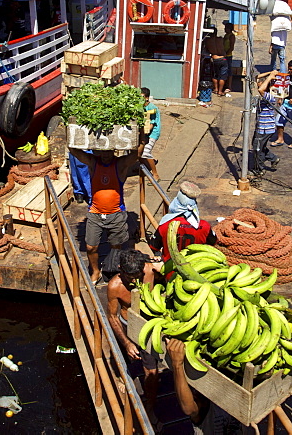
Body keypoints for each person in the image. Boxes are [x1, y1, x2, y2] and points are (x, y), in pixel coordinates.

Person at [68, 147, 139, 283]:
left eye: (108, 152)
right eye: (103, 151)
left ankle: (114, 268)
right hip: (95, 213)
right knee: (91, 246)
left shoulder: (119, 164)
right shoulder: (93, 163)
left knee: (116, 245)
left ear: (114, 151)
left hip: (116, 213)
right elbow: (74, 151)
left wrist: (141, 137)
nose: (105, 155)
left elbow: (136, 155)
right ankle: (95, 271)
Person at [107, 249, 163, 417]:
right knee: (122, 358)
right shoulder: (114, 286)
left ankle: (150, 405)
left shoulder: (151, 270)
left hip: (149, 326)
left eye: (137, 277)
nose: (133, 281)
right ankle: (122, 377)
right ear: (120, 269)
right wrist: (127, 342)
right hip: (126, 323)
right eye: (129, 277)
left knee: (151, 370)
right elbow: (112, 316)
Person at [151, 181, 215, 263]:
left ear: (176, 203)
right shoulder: (204, 226)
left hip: (170, 272)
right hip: (197, 270)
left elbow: (154, 247)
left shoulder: (164, 225)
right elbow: (214, 242)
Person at [252, 70, 281, 175]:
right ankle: (273, 158)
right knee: (260, 146)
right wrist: (270, 73)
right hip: (261, 126)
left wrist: (269, 78)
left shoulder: (270, 97)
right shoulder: (266, 94)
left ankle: (258, 170)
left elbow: (260, 89)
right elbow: (257, 77)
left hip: (266, 127)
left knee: (257, 148)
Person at [140, 87, 160, 180]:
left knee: (146, 152)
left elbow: (151, 125)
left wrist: (144, 134)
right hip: (143, 132)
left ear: (147, 98)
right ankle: (142, 169)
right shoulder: (140, 106)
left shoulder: (152, 108)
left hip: (152, 133)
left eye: (142, 97)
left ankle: (155, 174)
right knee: (138, 152)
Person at [204, 29, 228, 97]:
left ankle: (216, 89)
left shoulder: (207, 41)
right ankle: (220, 91)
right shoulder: (220, 39)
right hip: (223, 58)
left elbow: (206, 50)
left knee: (215, 75)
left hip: (215, 59)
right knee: (222, 76)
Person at [221, 22, 236, 95]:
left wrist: (226, 54)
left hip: (228, 56)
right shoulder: (226, 35)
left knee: (229, 71)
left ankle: (229, 86)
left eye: (226, 28)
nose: (224, 29)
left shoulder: (231, 36)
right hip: (224, 55)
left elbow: (231, 47)